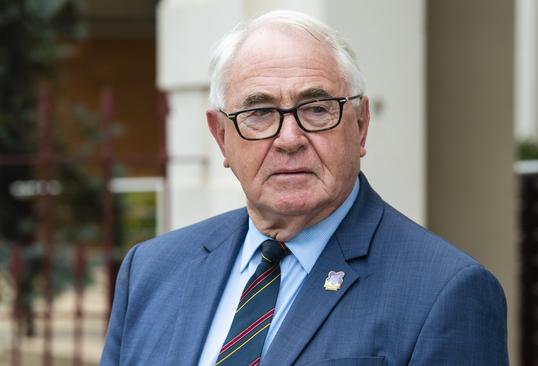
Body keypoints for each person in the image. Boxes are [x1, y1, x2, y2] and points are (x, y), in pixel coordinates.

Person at [100, 9, 508, 366]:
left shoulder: (445, 292)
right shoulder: (150, 273)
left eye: (316, 109)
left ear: (361, 125)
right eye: (259, 112)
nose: (289, 138)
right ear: (221, 136)